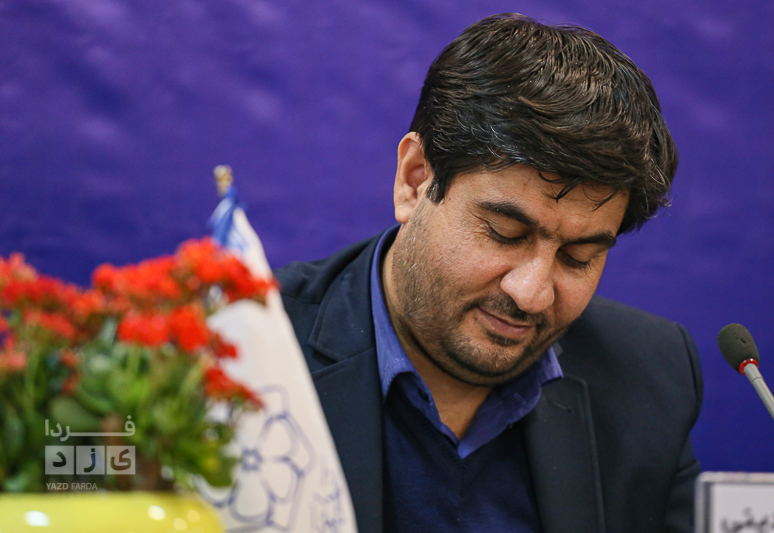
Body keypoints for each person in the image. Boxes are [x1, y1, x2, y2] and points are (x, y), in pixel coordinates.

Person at [275, 13, 702, 533]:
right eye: (504, 233)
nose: (532, 294)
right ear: (415, 180)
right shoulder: (234, 354)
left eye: (578, 257)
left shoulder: (651, 379)